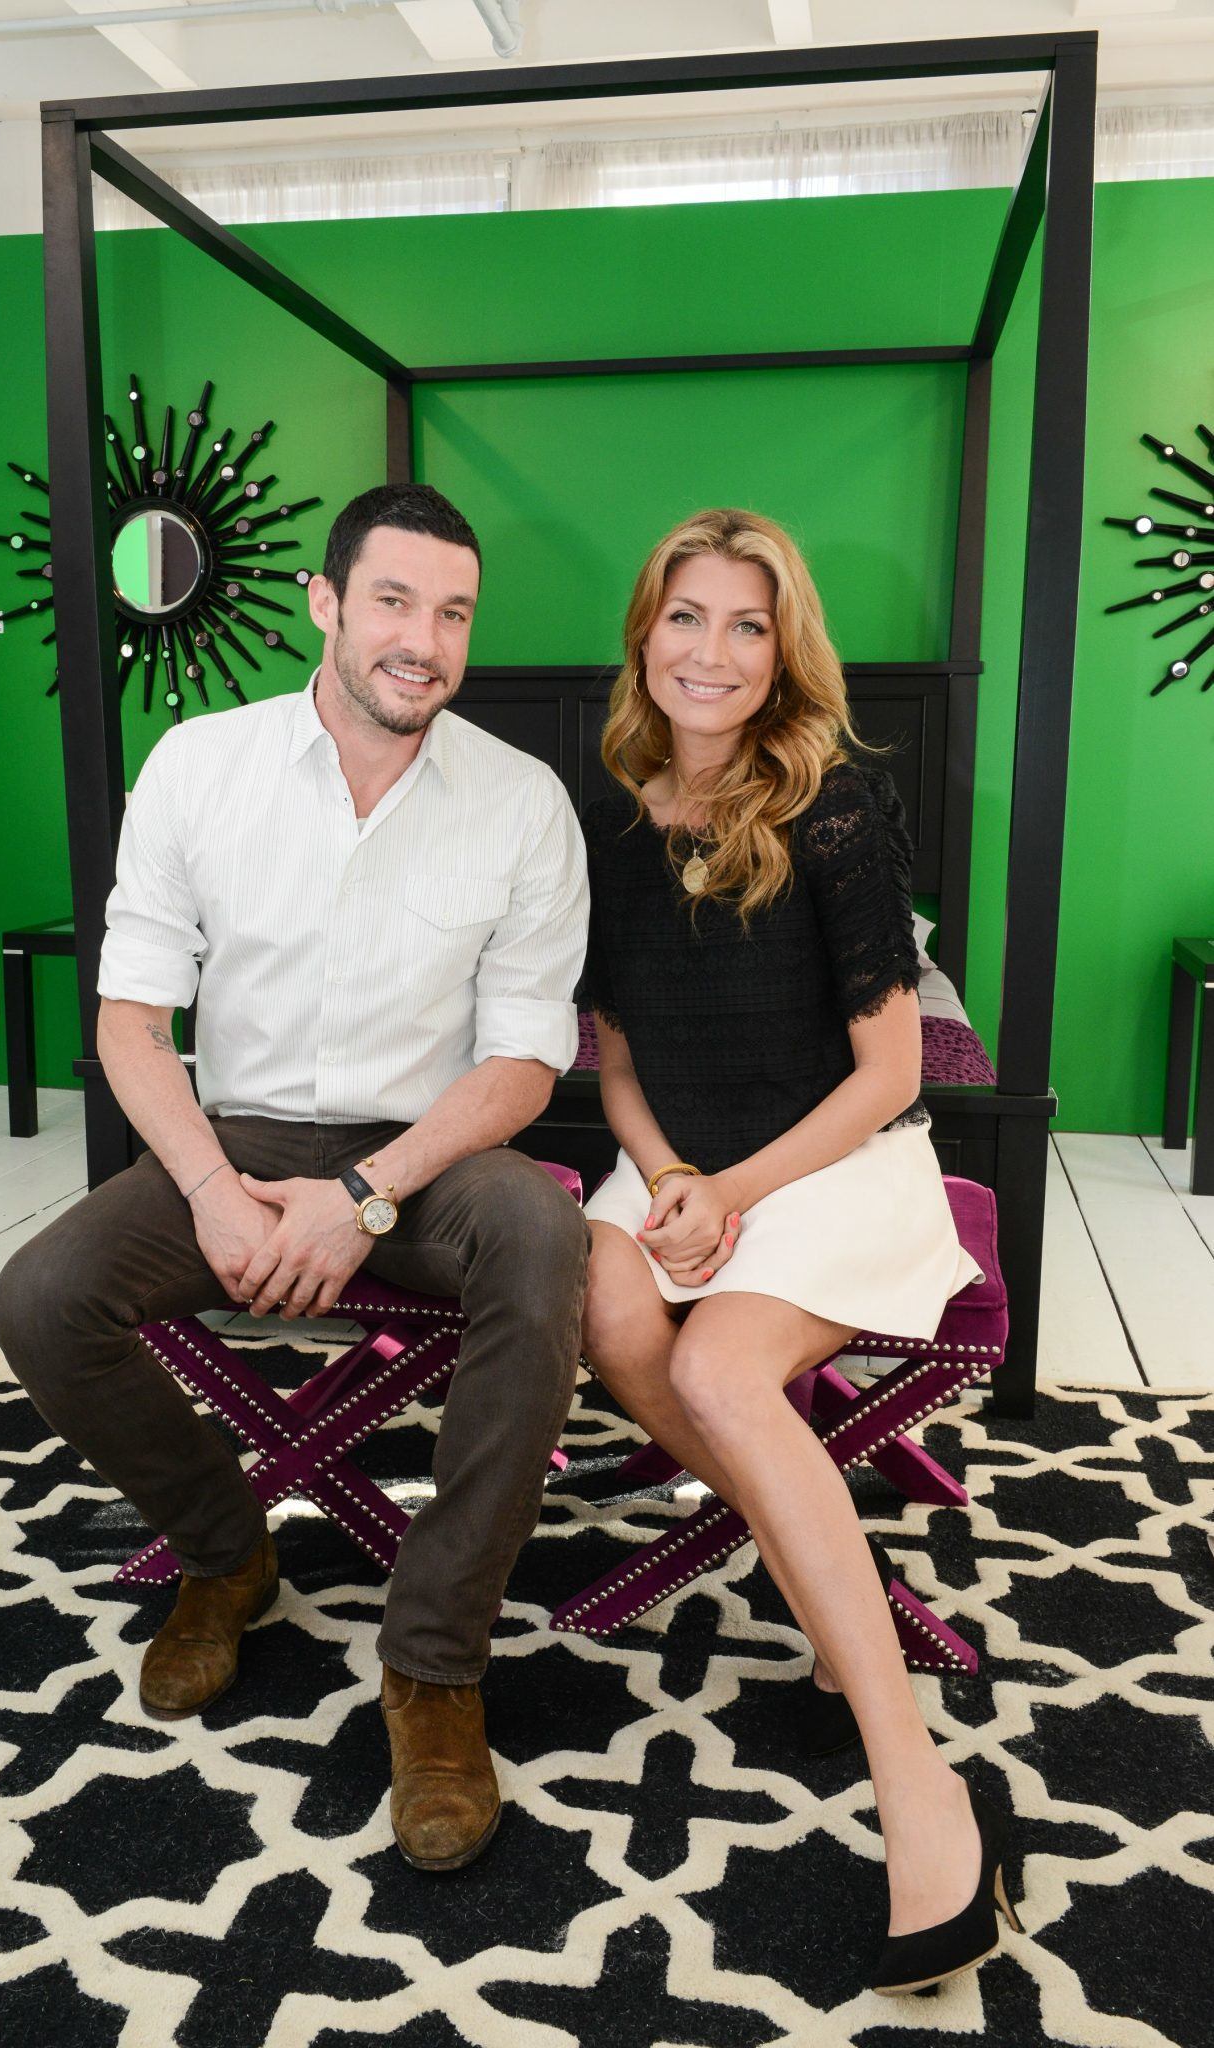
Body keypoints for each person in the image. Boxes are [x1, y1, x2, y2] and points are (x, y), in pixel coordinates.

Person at [0, 482, 590, 1874]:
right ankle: (226, 1550)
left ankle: (433, 1661)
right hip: (242, 1145)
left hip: (431, 1155)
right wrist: (211, 1189)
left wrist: (369, 1193)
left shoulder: (522, 801)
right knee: (42, 1296)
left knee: (546, 1244)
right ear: (325, 603)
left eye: (453, 613)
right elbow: (131, 1021)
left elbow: (523, 1061)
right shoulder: (201, 765)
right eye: (393, 600)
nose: (423, 640)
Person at [576, 507, 1022, 1994]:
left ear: (783, 653)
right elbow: (616, 1058)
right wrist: (667, 1176)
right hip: (683, 1164)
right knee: (607, 1314)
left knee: (718, 1368)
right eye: (686, 616)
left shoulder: (832, 804)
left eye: (747, 626)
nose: (711, 652)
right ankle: (824, 1574)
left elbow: (890, 1073)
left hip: (832, 1163)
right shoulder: (611, 820)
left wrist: (734, 1190)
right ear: (646, 632)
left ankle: (921, 1788)